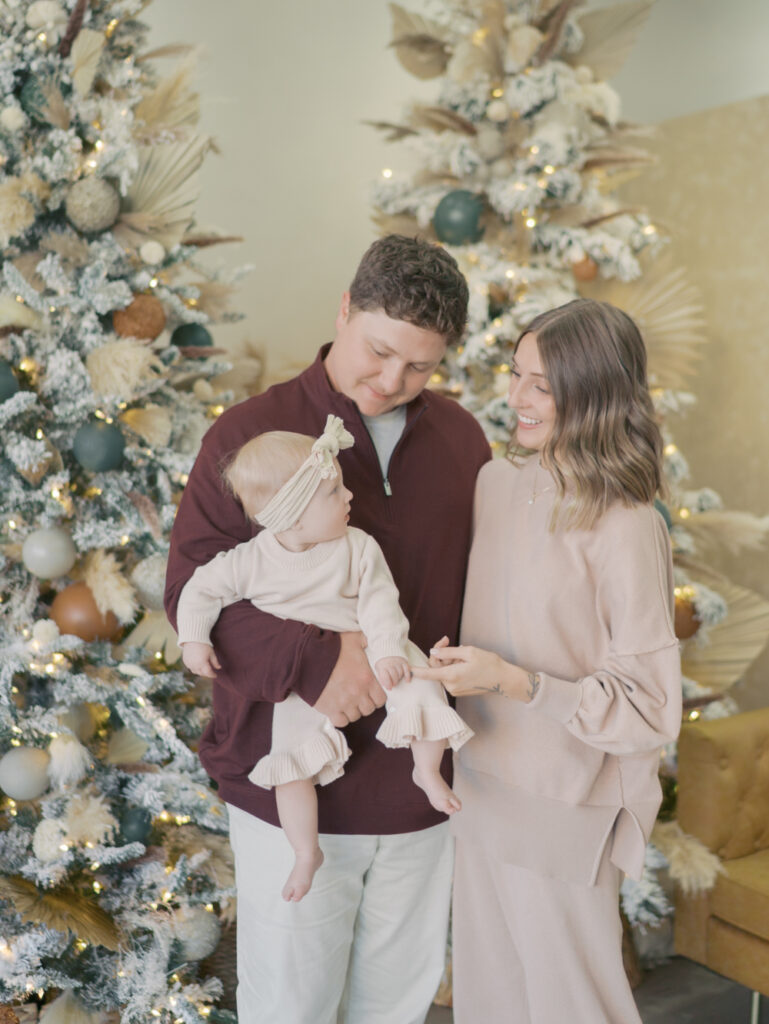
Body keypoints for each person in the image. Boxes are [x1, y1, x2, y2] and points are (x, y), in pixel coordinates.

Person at [164, 234, 491, 1024]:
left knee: (396, 1004)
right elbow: (195, 586)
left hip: (420, 786)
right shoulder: (249, 432)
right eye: (379, 352)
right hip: (288, 782)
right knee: (291, 1008)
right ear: (344, 310)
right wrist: (318, 661)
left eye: (419, 367)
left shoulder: (463, 441)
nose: (392, 381)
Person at [420, 298, 682, 1024]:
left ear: (593, 390)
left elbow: (649, 707)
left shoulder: (627, 524)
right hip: (479, 786)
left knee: (574, 1007)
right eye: (515, 376)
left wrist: (515, 681)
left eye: (541, 384)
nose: (515, 398)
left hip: (565, 805)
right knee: (489, 1002)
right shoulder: (496, 484)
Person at [175, 416, 472, 904]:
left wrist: (391, 653)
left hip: (374, 640)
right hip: (299, 684)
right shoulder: (250, 561)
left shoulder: (357, 547)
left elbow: (381, 603)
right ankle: (305, 851)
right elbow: (199, 590)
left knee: (423, 685)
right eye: (333, 492)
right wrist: (195, 640)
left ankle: (427, 769)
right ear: (292, 517)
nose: (349, 497)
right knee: (290, 765)